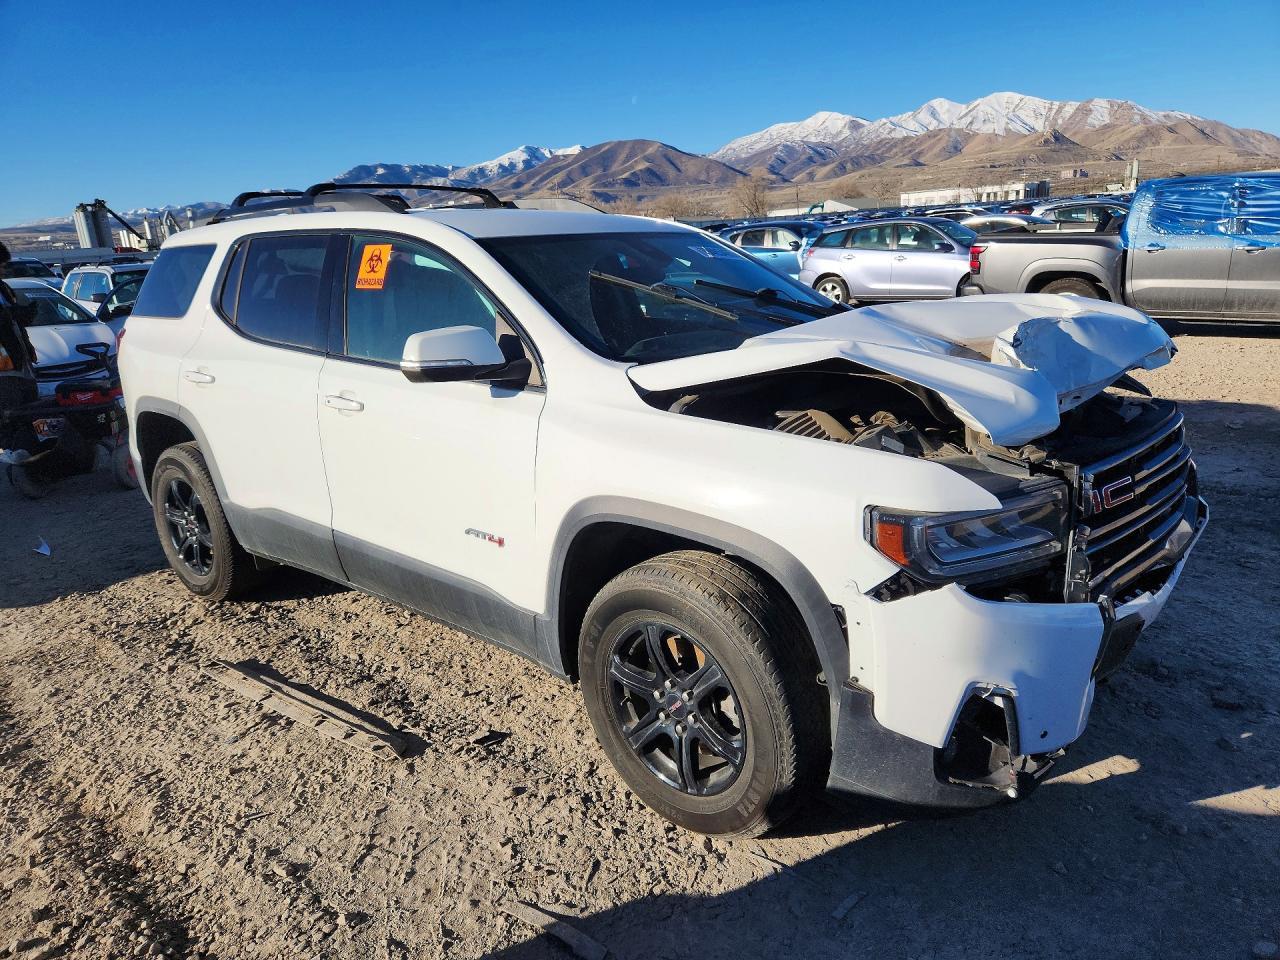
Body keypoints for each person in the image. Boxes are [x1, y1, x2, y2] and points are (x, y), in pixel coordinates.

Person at [0, 241, 40, 457]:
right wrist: (11, 315)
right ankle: (15, 456)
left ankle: (34, 452)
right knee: (9, 413)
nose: (3, 270)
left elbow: (14, 322)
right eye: (1, 265)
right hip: (3, 369)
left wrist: (23, 314)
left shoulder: (4, 288)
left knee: (31, 409)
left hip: (20, 361)